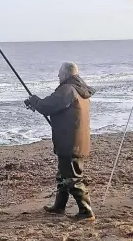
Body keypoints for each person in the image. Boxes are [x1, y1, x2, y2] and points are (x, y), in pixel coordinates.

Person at [24, 62, 96, 220]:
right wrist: (37, 104)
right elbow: (55, 108)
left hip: (70, 141)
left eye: (59, 73)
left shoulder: (68, 89)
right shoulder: (79, 89)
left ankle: (86, 211)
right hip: (74, 139)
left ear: (66, 74)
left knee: (73, 177)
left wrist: (35, 100)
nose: (58, 76)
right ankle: (59, 206)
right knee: (63, 175)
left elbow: (48, 105)